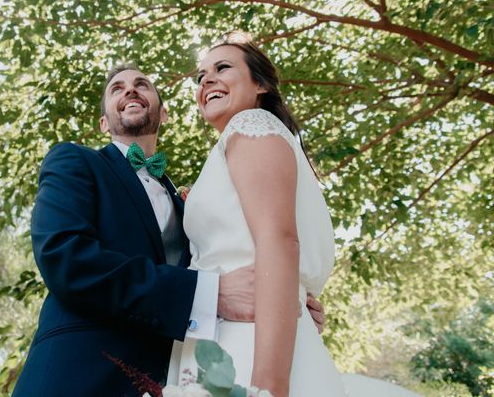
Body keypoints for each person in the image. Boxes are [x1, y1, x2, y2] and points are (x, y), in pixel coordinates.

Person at [12, 64, 326, 397]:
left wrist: (282, 298)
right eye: (117, 89)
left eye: (141, 84)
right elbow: (66, 259)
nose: (130, 90)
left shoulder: (188, 207)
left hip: (170, 382)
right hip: (78, 376)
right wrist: (210, 293)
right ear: (104, 123)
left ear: (163, 114)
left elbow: (228, 267)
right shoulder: (73, 161)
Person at [168, 31, 420, 397]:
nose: (207, 80)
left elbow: (279, 240)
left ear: (261, 85)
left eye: (223, 67)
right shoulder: (236, 144)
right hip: (216, 339)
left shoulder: (250, 126)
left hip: (248, 345)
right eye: (201, 76)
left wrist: (267, 388)